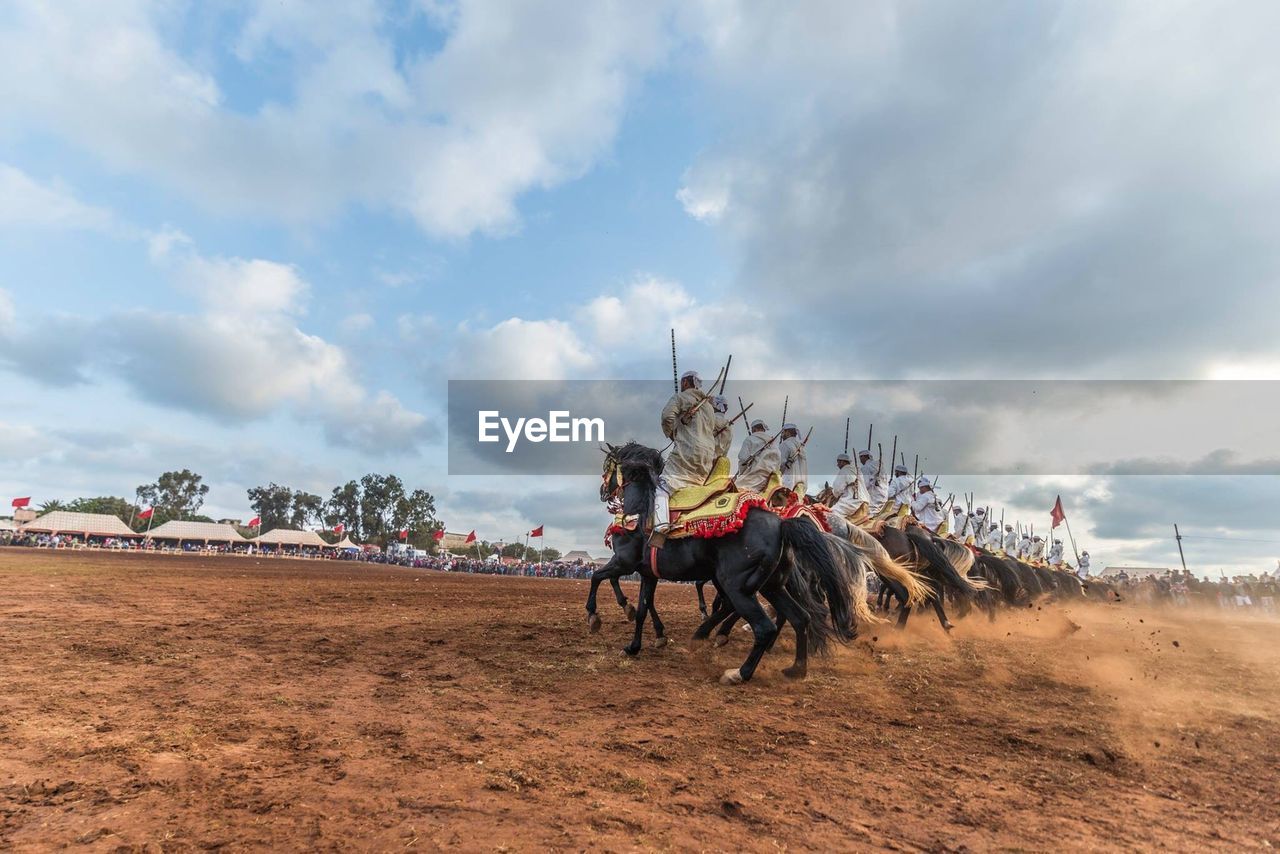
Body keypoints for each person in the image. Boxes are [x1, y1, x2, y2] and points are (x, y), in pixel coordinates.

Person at [654, 370, 716, 539]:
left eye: (683, 383)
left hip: (687, 451)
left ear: (687, 383)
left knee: (661, 486)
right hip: (706, 458)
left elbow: (667, 417)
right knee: (693, 489)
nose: (682, 386)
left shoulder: (681, 398)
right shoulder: (709, 407)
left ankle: (661, 526)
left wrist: (672, 433)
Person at [736, 419, 780, 492]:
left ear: (754, 429)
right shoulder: (773, 443)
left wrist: (742, 473)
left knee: (734, 489)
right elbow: (778, 463)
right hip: (770, 481)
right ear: (763, 429)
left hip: (754, 479)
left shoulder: (749, 439)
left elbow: (743, 458)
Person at [829, 452, 867, 522]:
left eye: (838, 462)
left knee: (830, 514)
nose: (837, 465)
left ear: (843, 462)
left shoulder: (844, 470)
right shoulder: (857, 470)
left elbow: (837, 489)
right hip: (865, 501)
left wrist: (834, 494)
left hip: (852, 502)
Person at [778, 422, 808, 495]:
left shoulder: (785, 444)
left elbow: (780, 465)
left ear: (787, 432)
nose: (781, 435)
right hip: (801, 487)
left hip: (787, 485)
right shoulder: (802, 447)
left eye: (783, 432)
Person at [711, 395, 733, 459]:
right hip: (717, 462)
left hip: (703, 458)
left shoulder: (709, 420)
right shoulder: (729, 427)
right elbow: (726, 450)